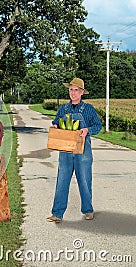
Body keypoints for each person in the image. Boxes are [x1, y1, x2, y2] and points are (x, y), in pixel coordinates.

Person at [47, 77, 102, 223]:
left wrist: (87, 130)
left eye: (76, 90)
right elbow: (56, 122)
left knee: (84, 180)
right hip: (65, 150)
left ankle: (88, 210)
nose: (73, 93)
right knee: (62, 181)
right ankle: (57, 214)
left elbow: (98, 126)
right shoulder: (63, 109)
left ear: (82, 92)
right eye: (71, 90)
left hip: (83, 151)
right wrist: (55, 126)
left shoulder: (88, 109)